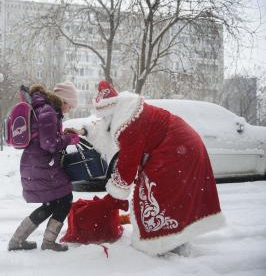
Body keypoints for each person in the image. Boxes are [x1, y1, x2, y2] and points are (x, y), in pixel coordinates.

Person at [72, 80, 225, 255]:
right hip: (182, 145)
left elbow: (127, 166)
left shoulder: (129, 125)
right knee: (165, 195)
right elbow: (105, 129)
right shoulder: (125, 112)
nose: (102, 119)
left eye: (104, 115)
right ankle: (172, 236)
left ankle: (161, 241)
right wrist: (86, 131)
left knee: (155, 195)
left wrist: (114, 197)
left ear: (111, 111)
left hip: (179, 150)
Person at [8, 82, 79, 252]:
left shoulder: (45, 109)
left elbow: (44, 136)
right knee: (64, 198)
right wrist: (70, 139)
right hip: (42, 163)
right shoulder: (48, 111)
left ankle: (17, 240)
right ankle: (46, 243)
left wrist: (63, 134)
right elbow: (49, 144)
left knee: (53, 203)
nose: (70, 109)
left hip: (36, 163)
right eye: (71, 105)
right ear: (64, 100)